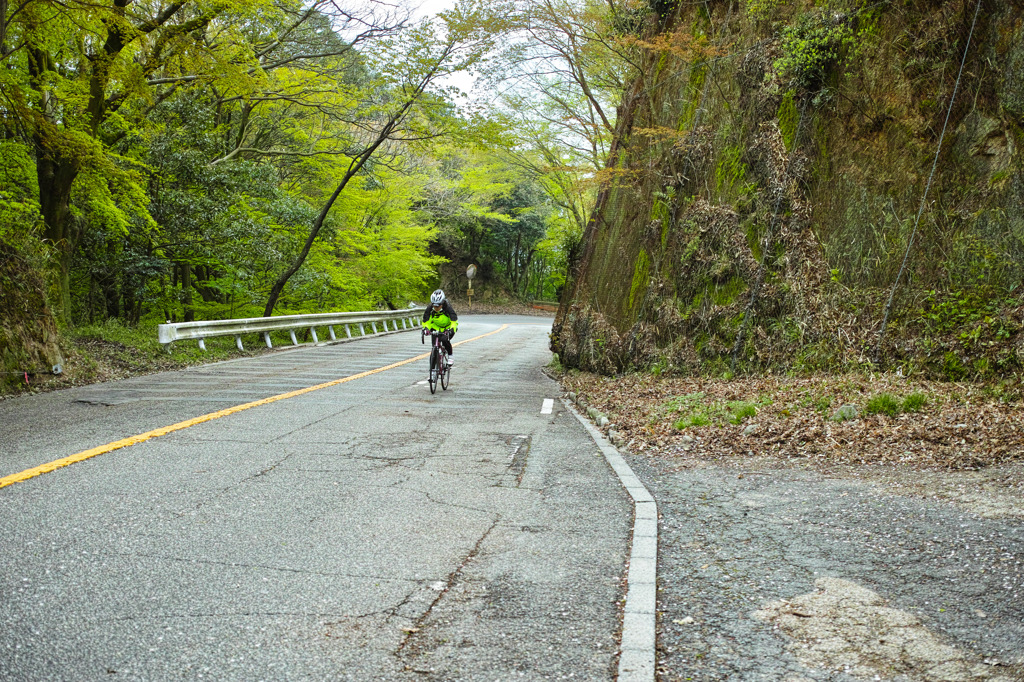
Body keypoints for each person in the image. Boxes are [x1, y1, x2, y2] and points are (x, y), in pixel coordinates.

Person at [422, 289, 459, 363]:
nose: (436, 308)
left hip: (447, 327)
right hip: (435, 327)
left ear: (442, 303)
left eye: (438, 305)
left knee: (445, 340)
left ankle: (450, 356)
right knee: (434, 346)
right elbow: (426, 320)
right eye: (434, 305)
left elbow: (454, 320)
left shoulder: (447, 308)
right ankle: (433, 368)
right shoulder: (430, 308)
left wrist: (452, 329)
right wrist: (426, 329)